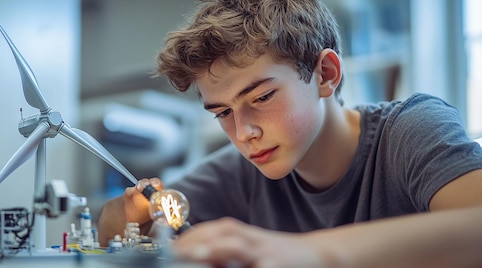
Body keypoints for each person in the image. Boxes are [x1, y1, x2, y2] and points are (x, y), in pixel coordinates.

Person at [98, 0, 482, 266]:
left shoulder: (410, 131)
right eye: (223, 113)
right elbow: (108, 233)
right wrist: (137, 210)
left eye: (262, 97)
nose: (244, 132)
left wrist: (311, 254)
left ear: (326, 75)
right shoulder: (244, 170)